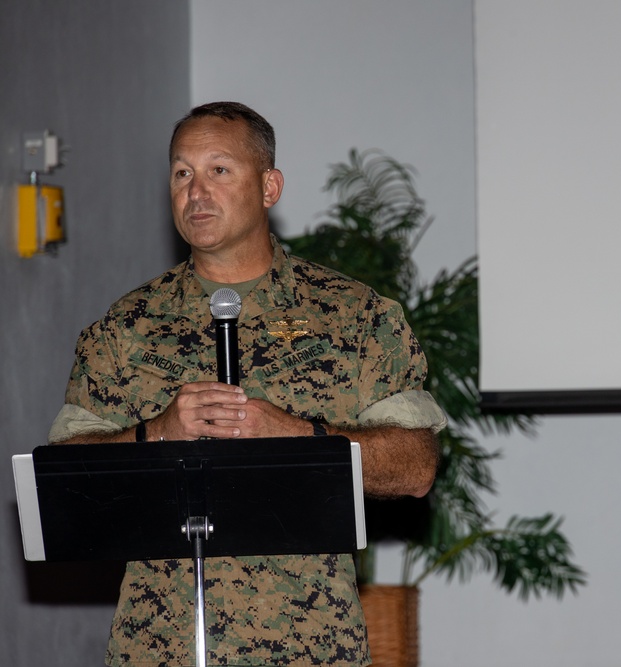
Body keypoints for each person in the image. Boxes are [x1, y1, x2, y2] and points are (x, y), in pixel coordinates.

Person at [48, 101, 445, 666]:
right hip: (161, 648)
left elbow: (416, 466)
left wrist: (297, 436)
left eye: (219, 170)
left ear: (269, 186)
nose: (196, 192)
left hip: (310, 646)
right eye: (182, 173)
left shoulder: (354, 316)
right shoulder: (124, 329)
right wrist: (157, 432)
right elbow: (62, 482)